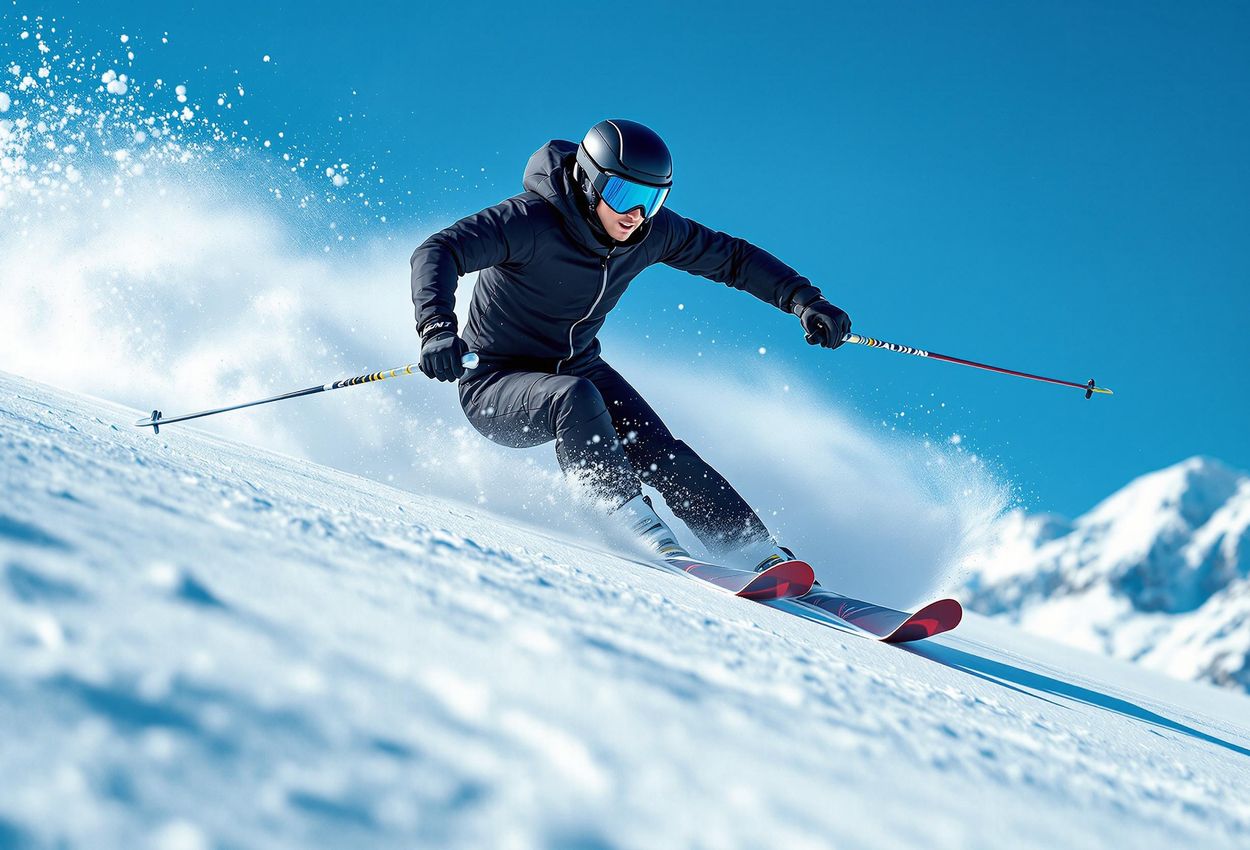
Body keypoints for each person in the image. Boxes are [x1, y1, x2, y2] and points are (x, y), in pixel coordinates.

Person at [410, 119, 851, 569]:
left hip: (578, 367)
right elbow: (439, 250)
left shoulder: (648, 233)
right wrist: (436, 328)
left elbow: (732, 259)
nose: (637, 214)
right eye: (625, 196)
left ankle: (753, 549)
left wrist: (804, 300)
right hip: (495, 384)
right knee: (575, 397)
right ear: (589, 181)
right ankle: (626, 519)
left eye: (652, 199)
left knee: (663, 452)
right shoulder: (529, 222)